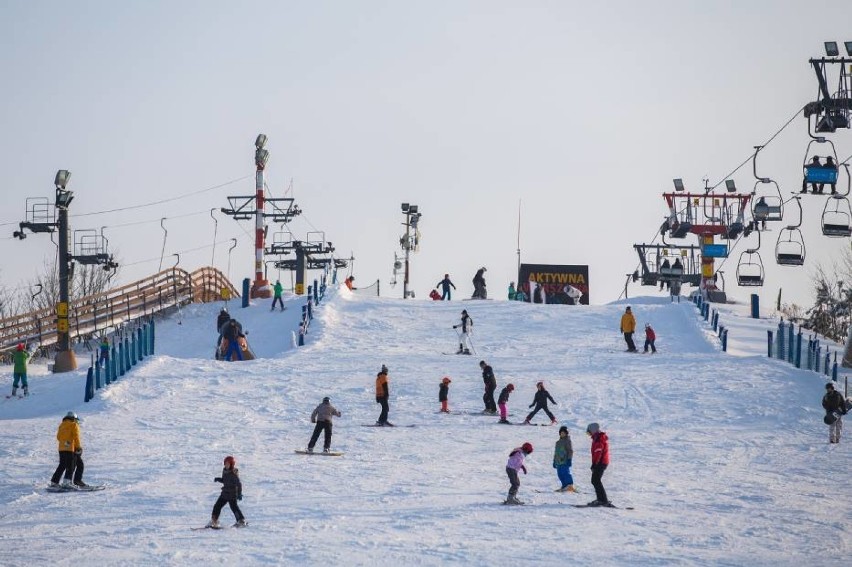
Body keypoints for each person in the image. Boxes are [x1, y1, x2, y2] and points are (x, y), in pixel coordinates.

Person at [50, 411, 88, 488]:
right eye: (77, 420)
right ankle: (68, 482)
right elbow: (76, 436)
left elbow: (58, 437)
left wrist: (64, 443)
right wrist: (78, 447)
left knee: (62, 465)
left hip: (61, 449)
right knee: (73, 465)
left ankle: (54, 481)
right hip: (71, 449)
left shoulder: (61, 425)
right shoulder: (74, 425)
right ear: (74, 418)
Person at [207, 455, 246, 528]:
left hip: (232, 494)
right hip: (224, 494)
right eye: (225, 463)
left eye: (228, 464)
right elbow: (225, 481)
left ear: (232, 464)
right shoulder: (225, 471)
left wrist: (239, 494)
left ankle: (241, 521)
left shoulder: (234, 473)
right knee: (217, 506)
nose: (226, 465)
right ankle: (214, 521)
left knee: (234, 507)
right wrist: (219, 479)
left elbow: (239, 484)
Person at [586, 422, 612, 507]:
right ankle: (601, 499)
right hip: (600, 462)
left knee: (595, 480)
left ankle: (603, 500)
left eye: (589, 432)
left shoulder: (599, 439)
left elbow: (598, 453)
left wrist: (595, 464)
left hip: (601, 462)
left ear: (593, 430)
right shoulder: (597, 438)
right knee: (595, 480)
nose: (588, 434)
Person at [553, 425, 576, 492]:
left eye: (564, 433)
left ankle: (570, 486)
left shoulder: (568, 441)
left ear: (566, 434)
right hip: (558, 462)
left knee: (565, 473)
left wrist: (569, 459)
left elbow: (570, 451)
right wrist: (554, 461)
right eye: (561, 433)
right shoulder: (557, 442)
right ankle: (564, 486)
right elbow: (556, 452)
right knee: (560, 474)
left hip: (565, 460)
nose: (562, 434)